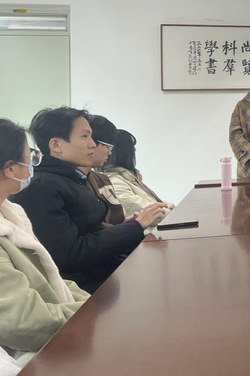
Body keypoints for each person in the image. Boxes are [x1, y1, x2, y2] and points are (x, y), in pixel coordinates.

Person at [10, 107, 166, 292]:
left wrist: (126, 227)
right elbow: (72, 255)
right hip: (87, 290)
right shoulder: (42, 188)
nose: (92, 144)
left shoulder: (72, 180)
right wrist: (135, 226)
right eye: (85, 136)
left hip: (107, 275)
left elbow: (91, 231)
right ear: (57, 145)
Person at [0, 118, 89, 368]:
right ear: (10, 169)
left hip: (55, 327)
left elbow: (52, 278)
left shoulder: (11, 213)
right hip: (26, 360)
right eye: (30, 156)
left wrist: (91, 304)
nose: (32, 163)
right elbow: (25, 324)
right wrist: (89, 313)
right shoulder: (45, 188)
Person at [105, 130, 173, 217]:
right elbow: (145, 211)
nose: (135, 150)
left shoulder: (129, 178)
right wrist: (171, 211)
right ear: (124, 152)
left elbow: (152, 205)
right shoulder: (114, 182)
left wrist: (168, 206)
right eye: (132, 148)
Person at [83, 114, 125, 225]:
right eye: (108, 146)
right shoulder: (65, 183)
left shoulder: (102, 179)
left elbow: (117, 220)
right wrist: (133, 226)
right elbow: (93, 229)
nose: (110, 152)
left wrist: (128, 224)